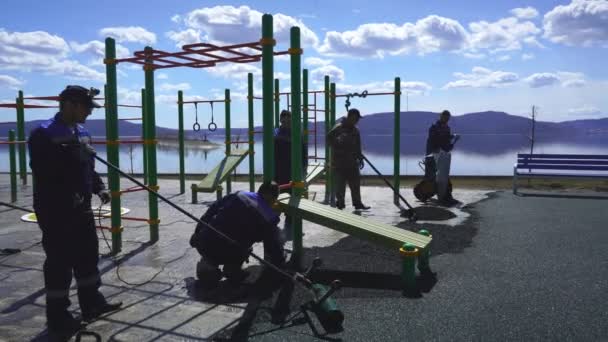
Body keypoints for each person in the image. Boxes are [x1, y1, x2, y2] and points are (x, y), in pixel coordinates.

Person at [28, 85, 122, 337]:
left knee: (88, 256)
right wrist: (70, 188)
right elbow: (44, 171)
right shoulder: (43, 134)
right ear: (70, 104)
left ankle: (92, 303)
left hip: (81, 205)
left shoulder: (82, 132)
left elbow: (88, 167)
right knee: (60, 262)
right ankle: (58, 317)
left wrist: (99, 187)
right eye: (86, 108)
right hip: (55, 207)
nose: (89, 113)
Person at [189, 181, 286, 289]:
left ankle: (207, 266)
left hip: (205, 243)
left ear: (259, 191)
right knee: (246, 246)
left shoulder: (240, 194)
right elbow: (272, 246)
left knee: (218, 234)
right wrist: (280, 264)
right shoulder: (270, 218)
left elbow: (211, 211)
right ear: (273, 199)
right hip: (231, 252)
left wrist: (197, 232)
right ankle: (232, 269)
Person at [326, 108, 370, 210]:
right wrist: (338, 146)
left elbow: (358, 146)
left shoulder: (356, 130)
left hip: (352, 162)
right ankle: (340, 204)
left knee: (355, 184)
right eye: (356, 118)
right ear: (350, 117)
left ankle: (357, 203)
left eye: (358, 119)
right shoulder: (338, 128)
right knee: (340, 186)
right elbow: (328, 139)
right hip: (339, 163)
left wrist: (360, 158)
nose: (357, 121)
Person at [425, 110, 459, 205]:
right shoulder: (434, 127)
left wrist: (453, 137)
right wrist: (436, 149)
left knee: (443, 176)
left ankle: (445, 196)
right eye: (444, 117)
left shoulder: (447, 128)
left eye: (448, 118)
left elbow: (446, 141)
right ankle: (426, 195)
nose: (446, 119)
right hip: (432, 155)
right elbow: (433, 140)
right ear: (440, 116)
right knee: (430, 176)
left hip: (442, 155)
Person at [274, 109, 307, 188]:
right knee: (278, 189)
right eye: (284, 122)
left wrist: (304, 165)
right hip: (279, 167)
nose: (286, 124)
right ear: (280, 120)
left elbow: (303, 150)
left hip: (293, 167)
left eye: (288, 122)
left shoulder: (297, 133)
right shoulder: (276, 132)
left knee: (292, 189)